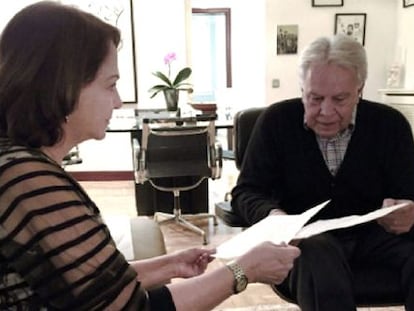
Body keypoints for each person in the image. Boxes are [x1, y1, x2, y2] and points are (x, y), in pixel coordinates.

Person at [0, 2, 300, 310]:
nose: (117, 102)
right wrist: (243, 270)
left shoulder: (16, 165)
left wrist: (168, 266)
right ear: (63, 87)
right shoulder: (28, 181)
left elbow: (91, 282)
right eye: (111, 85)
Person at [231, 34, 414, 311]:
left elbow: (408, 191)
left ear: (360, 89)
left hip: (375, 237)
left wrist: (408, 211)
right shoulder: (276, 122)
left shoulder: (390, 125)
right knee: (316, 252)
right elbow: (246, 192)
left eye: (340, 99)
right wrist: (274, 216)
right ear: (302, 88)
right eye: (314, 98)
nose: (326, 112)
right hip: (305, 243)